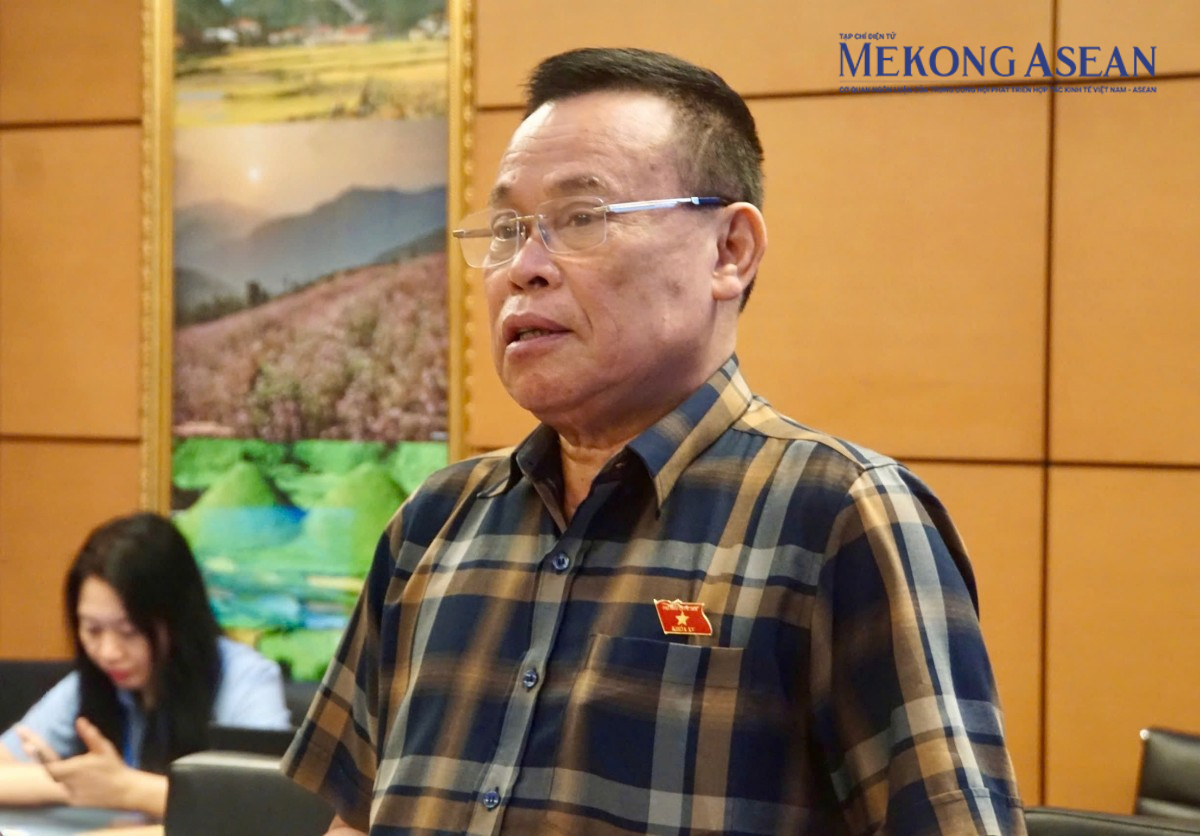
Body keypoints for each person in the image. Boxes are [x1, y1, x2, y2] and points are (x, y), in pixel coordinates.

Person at [283, 47, 1026, 835]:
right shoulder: (436, 520)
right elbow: (355, 820)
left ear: (729, 251)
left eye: (581, 218)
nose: (523, 268)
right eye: (506, 229)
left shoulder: (839, 515)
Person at [0, 511, 291, 817]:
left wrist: (127, 790)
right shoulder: (92, 682)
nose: (109, 652)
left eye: (130, 632)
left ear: (177, 618)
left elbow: (271, 803)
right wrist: (72, 783)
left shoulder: (244, 678)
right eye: (93, 630)